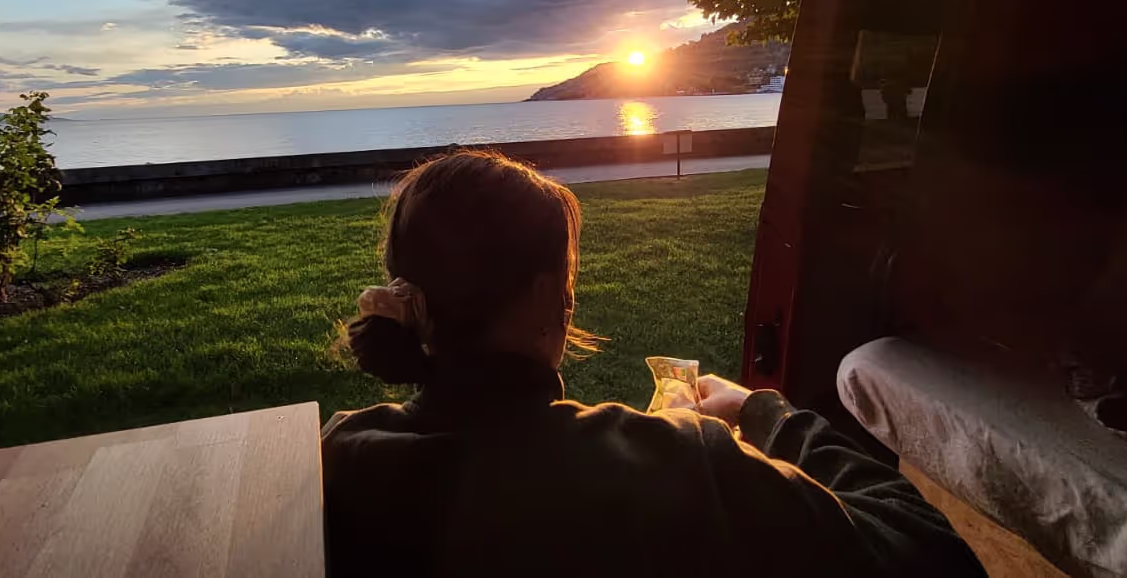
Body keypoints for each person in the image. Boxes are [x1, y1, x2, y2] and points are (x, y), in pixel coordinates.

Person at [322, 151, 983, 578]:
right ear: (544, 298)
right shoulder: (683, 463)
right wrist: (765, 415)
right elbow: (931, 552)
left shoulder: (337, 457)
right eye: (567, 279)